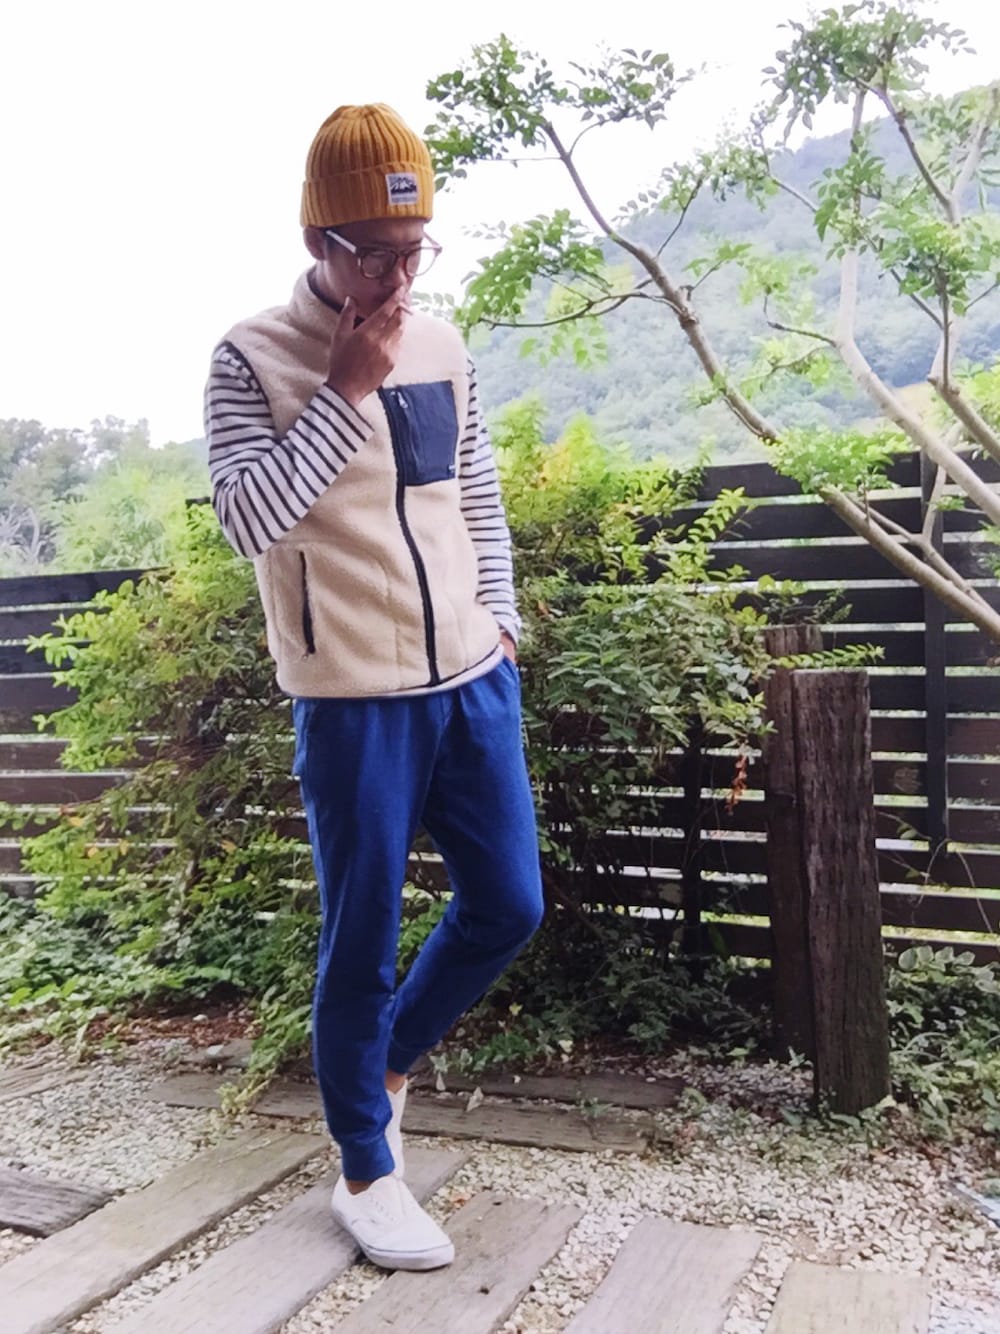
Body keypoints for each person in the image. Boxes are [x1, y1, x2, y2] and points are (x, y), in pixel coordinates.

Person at [204, 104, 543, 1271]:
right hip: (349, 696)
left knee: (509, 903)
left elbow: (475, 495)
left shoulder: (444, 346)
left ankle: (384, 1069)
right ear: (319, 241)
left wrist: (502, 617)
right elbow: (245, 518)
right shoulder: (250, 357)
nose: (398, 278)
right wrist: (344, 389)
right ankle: (364, 1167)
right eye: (373, 254)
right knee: (361, 941)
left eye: (414, 251)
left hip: (470, 678)